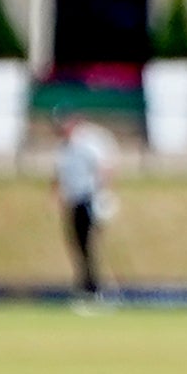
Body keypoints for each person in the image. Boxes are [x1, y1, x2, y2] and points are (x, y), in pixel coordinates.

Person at [52, 114, 112, 298]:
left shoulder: (86, 145)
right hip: (73, 200)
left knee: (89, 244)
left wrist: (101, 195)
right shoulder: (63, 149)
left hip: (88, 199)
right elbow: (58, 175)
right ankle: (85, 285)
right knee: (77, 245)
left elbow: (103, 168)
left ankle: (94, 287)